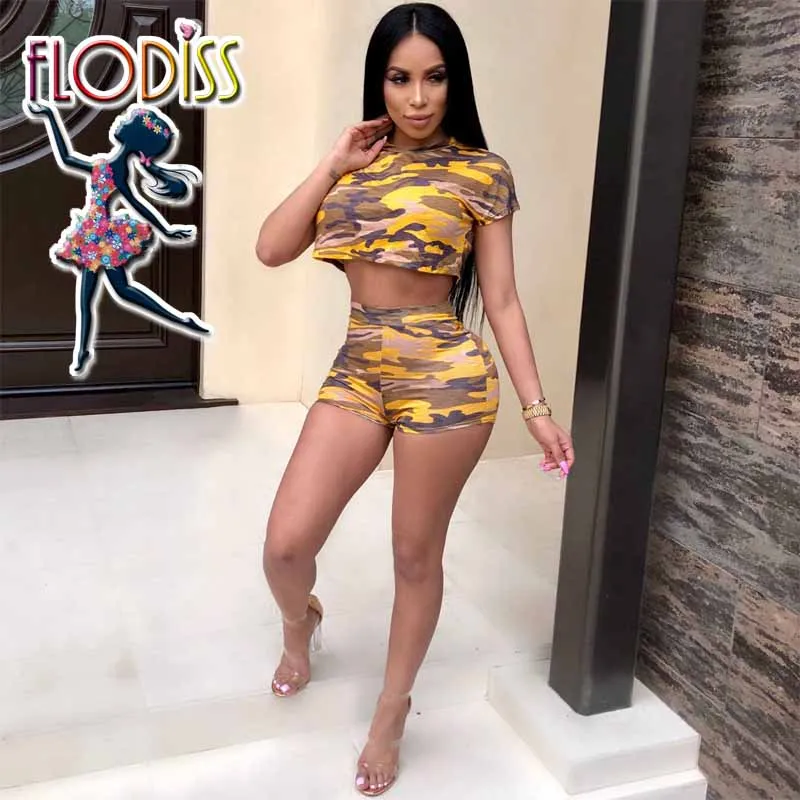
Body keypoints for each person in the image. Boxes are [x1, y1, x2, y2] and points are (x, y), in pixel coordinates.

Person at [255, 3, 575, 795]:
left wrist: (537, 409)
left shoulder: (482, 172)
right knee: (286, 546)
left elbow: (501, 299)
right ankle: (301, 621)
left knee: (413, 555)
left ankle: (392, 711)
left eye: (435, 77)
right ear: (381, 83)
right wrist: (333, 162)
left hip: (446, 378)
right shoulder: (355, 164)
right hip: (359, 367)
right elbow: (271, 247)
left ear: (454, 82)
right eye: (400, 79)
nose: (419, 97)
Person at [23, 101, 211, 378]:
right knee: (104, 294)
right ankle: (84, 351)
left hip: (98, 239)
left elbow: (136, 202)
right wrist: (50, 117)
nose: (121, 120)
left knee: (99, 296)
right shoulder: (108, 166)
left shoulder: (114, 169)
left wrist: (166, 229)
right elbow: (68, 158)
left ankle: (86, 350)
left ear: (133, 137)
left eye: (127, 121)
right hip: (93, 236)